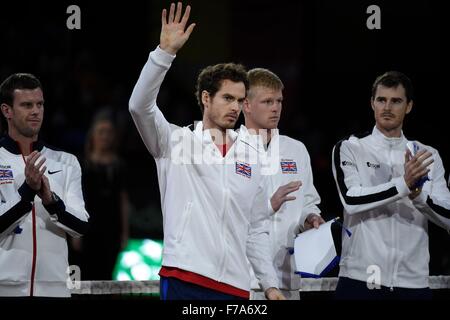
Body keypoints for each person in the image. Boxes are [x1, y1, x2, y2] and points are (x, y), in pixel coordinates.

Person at [129, 2, 284, 300]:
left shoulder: (253, 154)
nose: (235, 107)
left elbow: (256, 229)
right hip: (184, 277)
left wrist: (270, 284)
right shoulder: (173, 142)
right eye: (227, 98)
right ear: (205, 98)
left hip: (237, 287)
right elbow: (139, 106)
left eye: (240, 100)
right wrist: (164, 54)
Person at [332, 71, 450, 299]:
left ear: (409, 106)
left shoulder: (428, 156)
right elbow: (351, 200)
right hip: (360, 279)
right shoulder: (350, 147)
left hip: (413, 284)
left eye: (396, 101)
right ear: (372, 104)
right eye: (381, 100)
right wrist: (404, 184)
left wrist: (419, 197)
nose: (387, 107)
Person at [0, 73, 89, 297]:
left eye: (39, 104)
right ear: (7, 111)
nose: (35, 111)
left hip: (55, 288)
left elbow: (81, 227)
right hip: (5, 288)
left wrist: (50, 200)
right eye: (27, 105)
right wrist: (27, 193)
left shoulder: (67, 162)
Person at [242, 68, 325, 300]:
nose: (276, 107)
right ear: (246, 105)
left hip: (288, 277)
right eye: (267, 101)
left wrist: (310, 218)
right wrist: (269, 205)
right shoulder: (230, 150)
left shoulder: (296, 149)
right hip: (244, 280)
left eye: (279, 100)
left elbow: (308, 200)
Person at [70, 113, 129, 280]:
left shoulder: (120, 165)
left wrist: (125, 233)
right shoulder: (81, 163)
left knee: (107, 275)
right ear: (93, 135)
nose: (105, 136)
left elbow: (123, 200)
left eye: (109, 132)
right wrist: (76, 232)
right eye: (101, 131)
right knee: (83, 276)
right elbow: (75, 198)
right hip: (87, 227)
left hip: (111, 229)